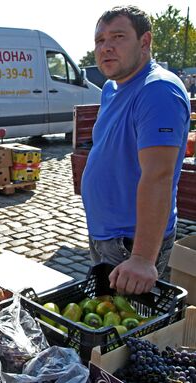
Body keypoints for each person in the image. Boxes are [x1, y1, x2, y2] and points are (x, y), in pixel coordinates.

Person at [81, 6, 190, 296]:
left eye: (118, 37)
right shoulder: (111, 88)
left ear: (145, 42)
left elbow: (159, 176)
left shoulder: (158, 91)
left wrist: (142, 258)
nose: (106, 47)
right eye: (100, 41)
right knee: (104, 316)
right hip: (106, 235)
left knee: (126, 331)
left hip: (131, 242)